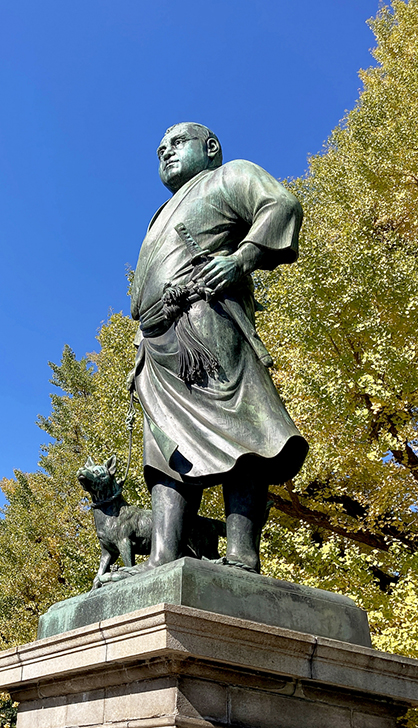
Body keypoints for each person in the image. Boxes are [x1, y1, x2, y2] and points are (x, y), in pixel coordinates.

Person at [125, 122, 308, 575]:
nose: (166, 152)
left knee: (242, 429)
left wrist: (241, 258)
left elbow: (281, 204)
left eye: (177, 143)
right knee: (165, 446)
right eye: (159, 149)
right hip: (158, 342)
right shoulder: (158, 215)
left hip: (205, 322)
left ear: (210, 149)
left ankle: (243, 555)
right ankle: (163, 557)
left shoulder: (230, 176)